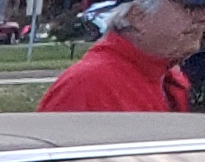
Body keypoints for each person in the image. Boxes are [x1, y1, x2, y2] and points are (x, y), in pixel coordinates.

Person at [41, 0, 202, 109]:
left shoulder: (171, 79)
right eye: (189, 9)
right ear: (137, 16)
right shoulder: (88, 85)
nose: (202, 18)